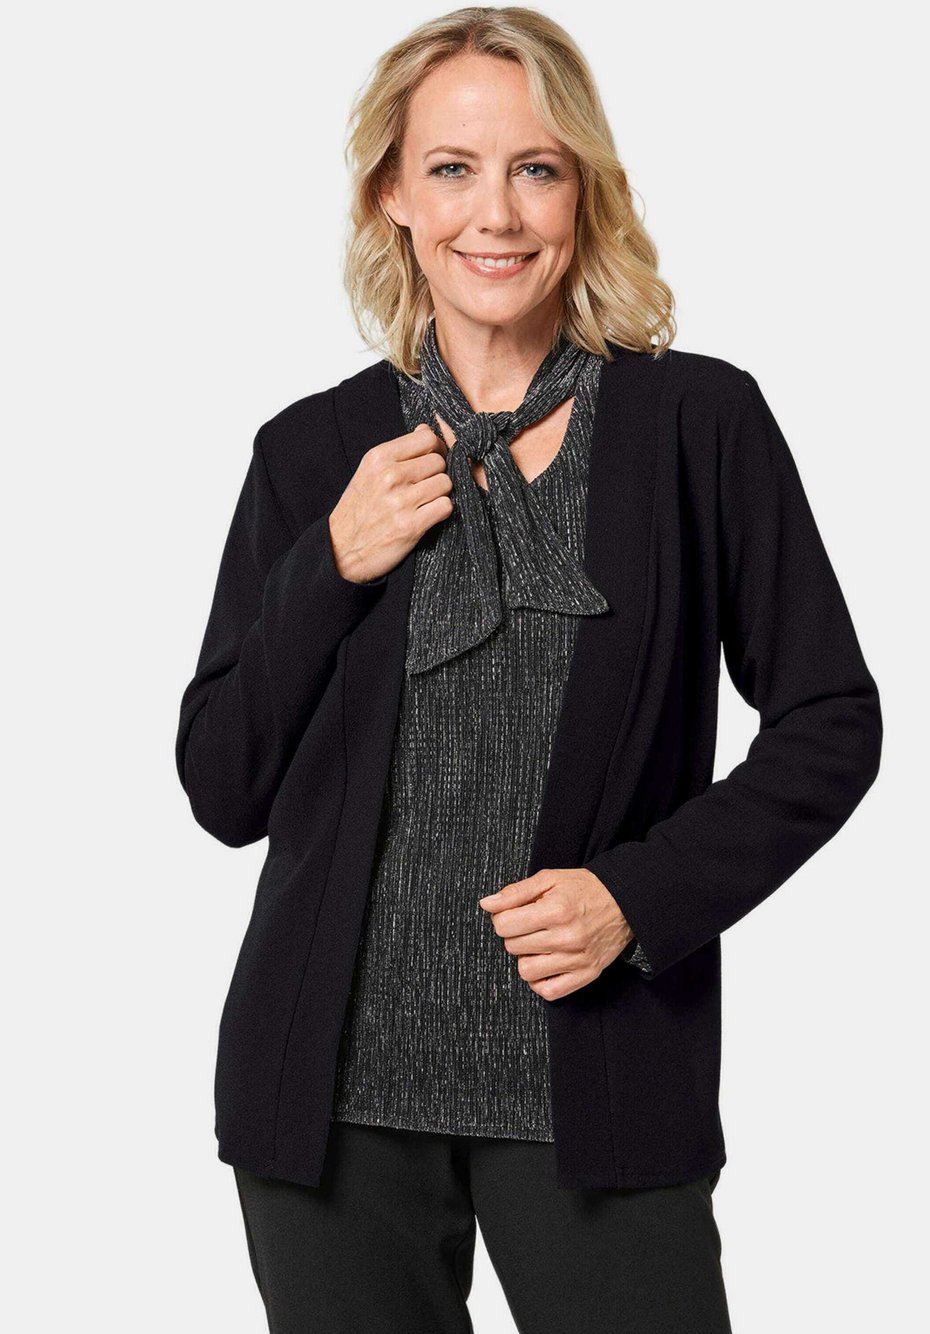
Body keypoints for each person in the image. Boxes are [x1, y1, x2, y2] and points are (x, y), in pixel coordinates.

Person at [175, 9, 882, 1332]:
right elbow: (222, 784)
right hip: (329, 1113)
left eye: (535, 168)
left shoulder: (697, 424)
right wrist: (331, 562)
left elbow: (831, 720)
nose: (493, 213)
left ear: (583, 191)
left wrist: (638, 895)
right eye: (451, 168)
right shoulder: (310, 453)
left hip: (601, 1086)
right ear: (392, 195)